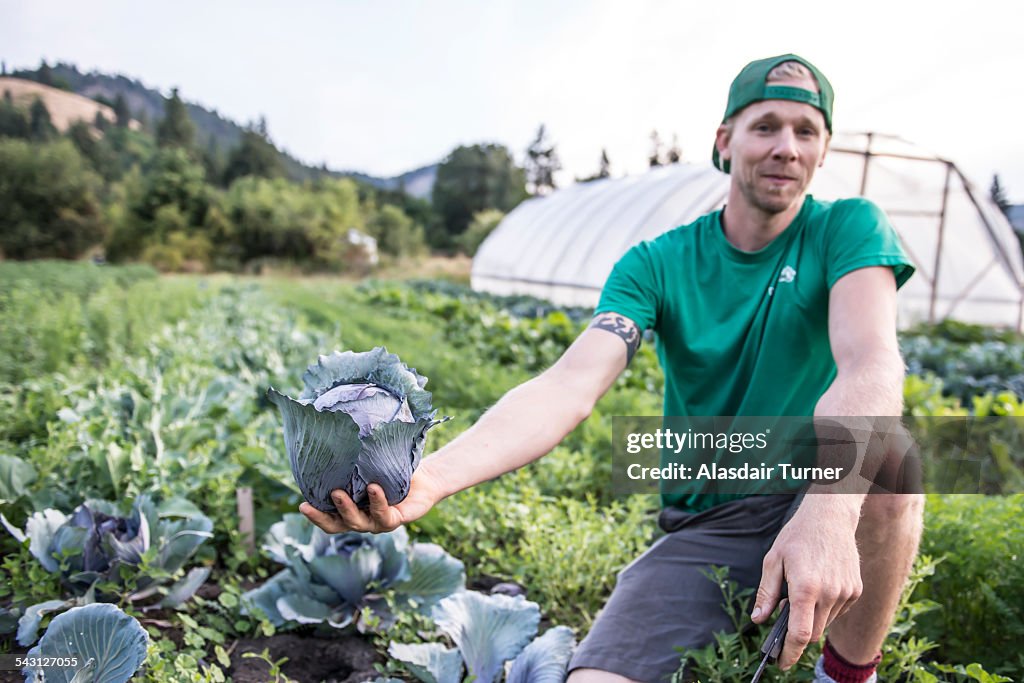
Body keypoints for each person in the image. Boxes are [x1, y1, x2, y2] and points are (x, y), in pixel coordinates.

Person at [301, 54, 925, 683]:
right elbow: (569, 386)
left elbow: (869, 359)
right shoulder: (658, 264)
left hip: (812, 483)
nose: (786, 147)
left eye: (805, 131)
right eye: (766, 126)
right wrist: (431, 480)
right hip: (710, 520)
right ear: (725, 140)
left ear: (822, 151)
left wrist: (829, 509)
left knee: (891, 465)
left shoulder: (847, 229)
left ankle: (846, 675)